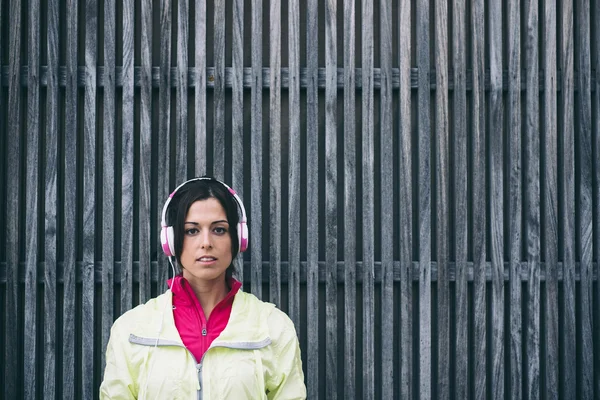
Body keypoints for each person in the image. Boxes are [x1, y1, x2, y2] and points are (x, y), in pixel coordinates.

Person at [100, 177, 306, 399]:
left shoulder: (273, 327)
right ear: (170, 240)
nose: (206, 242)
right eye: (191, 231)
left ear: (238, 238)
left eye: (219, 230)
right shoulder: (131, 330)